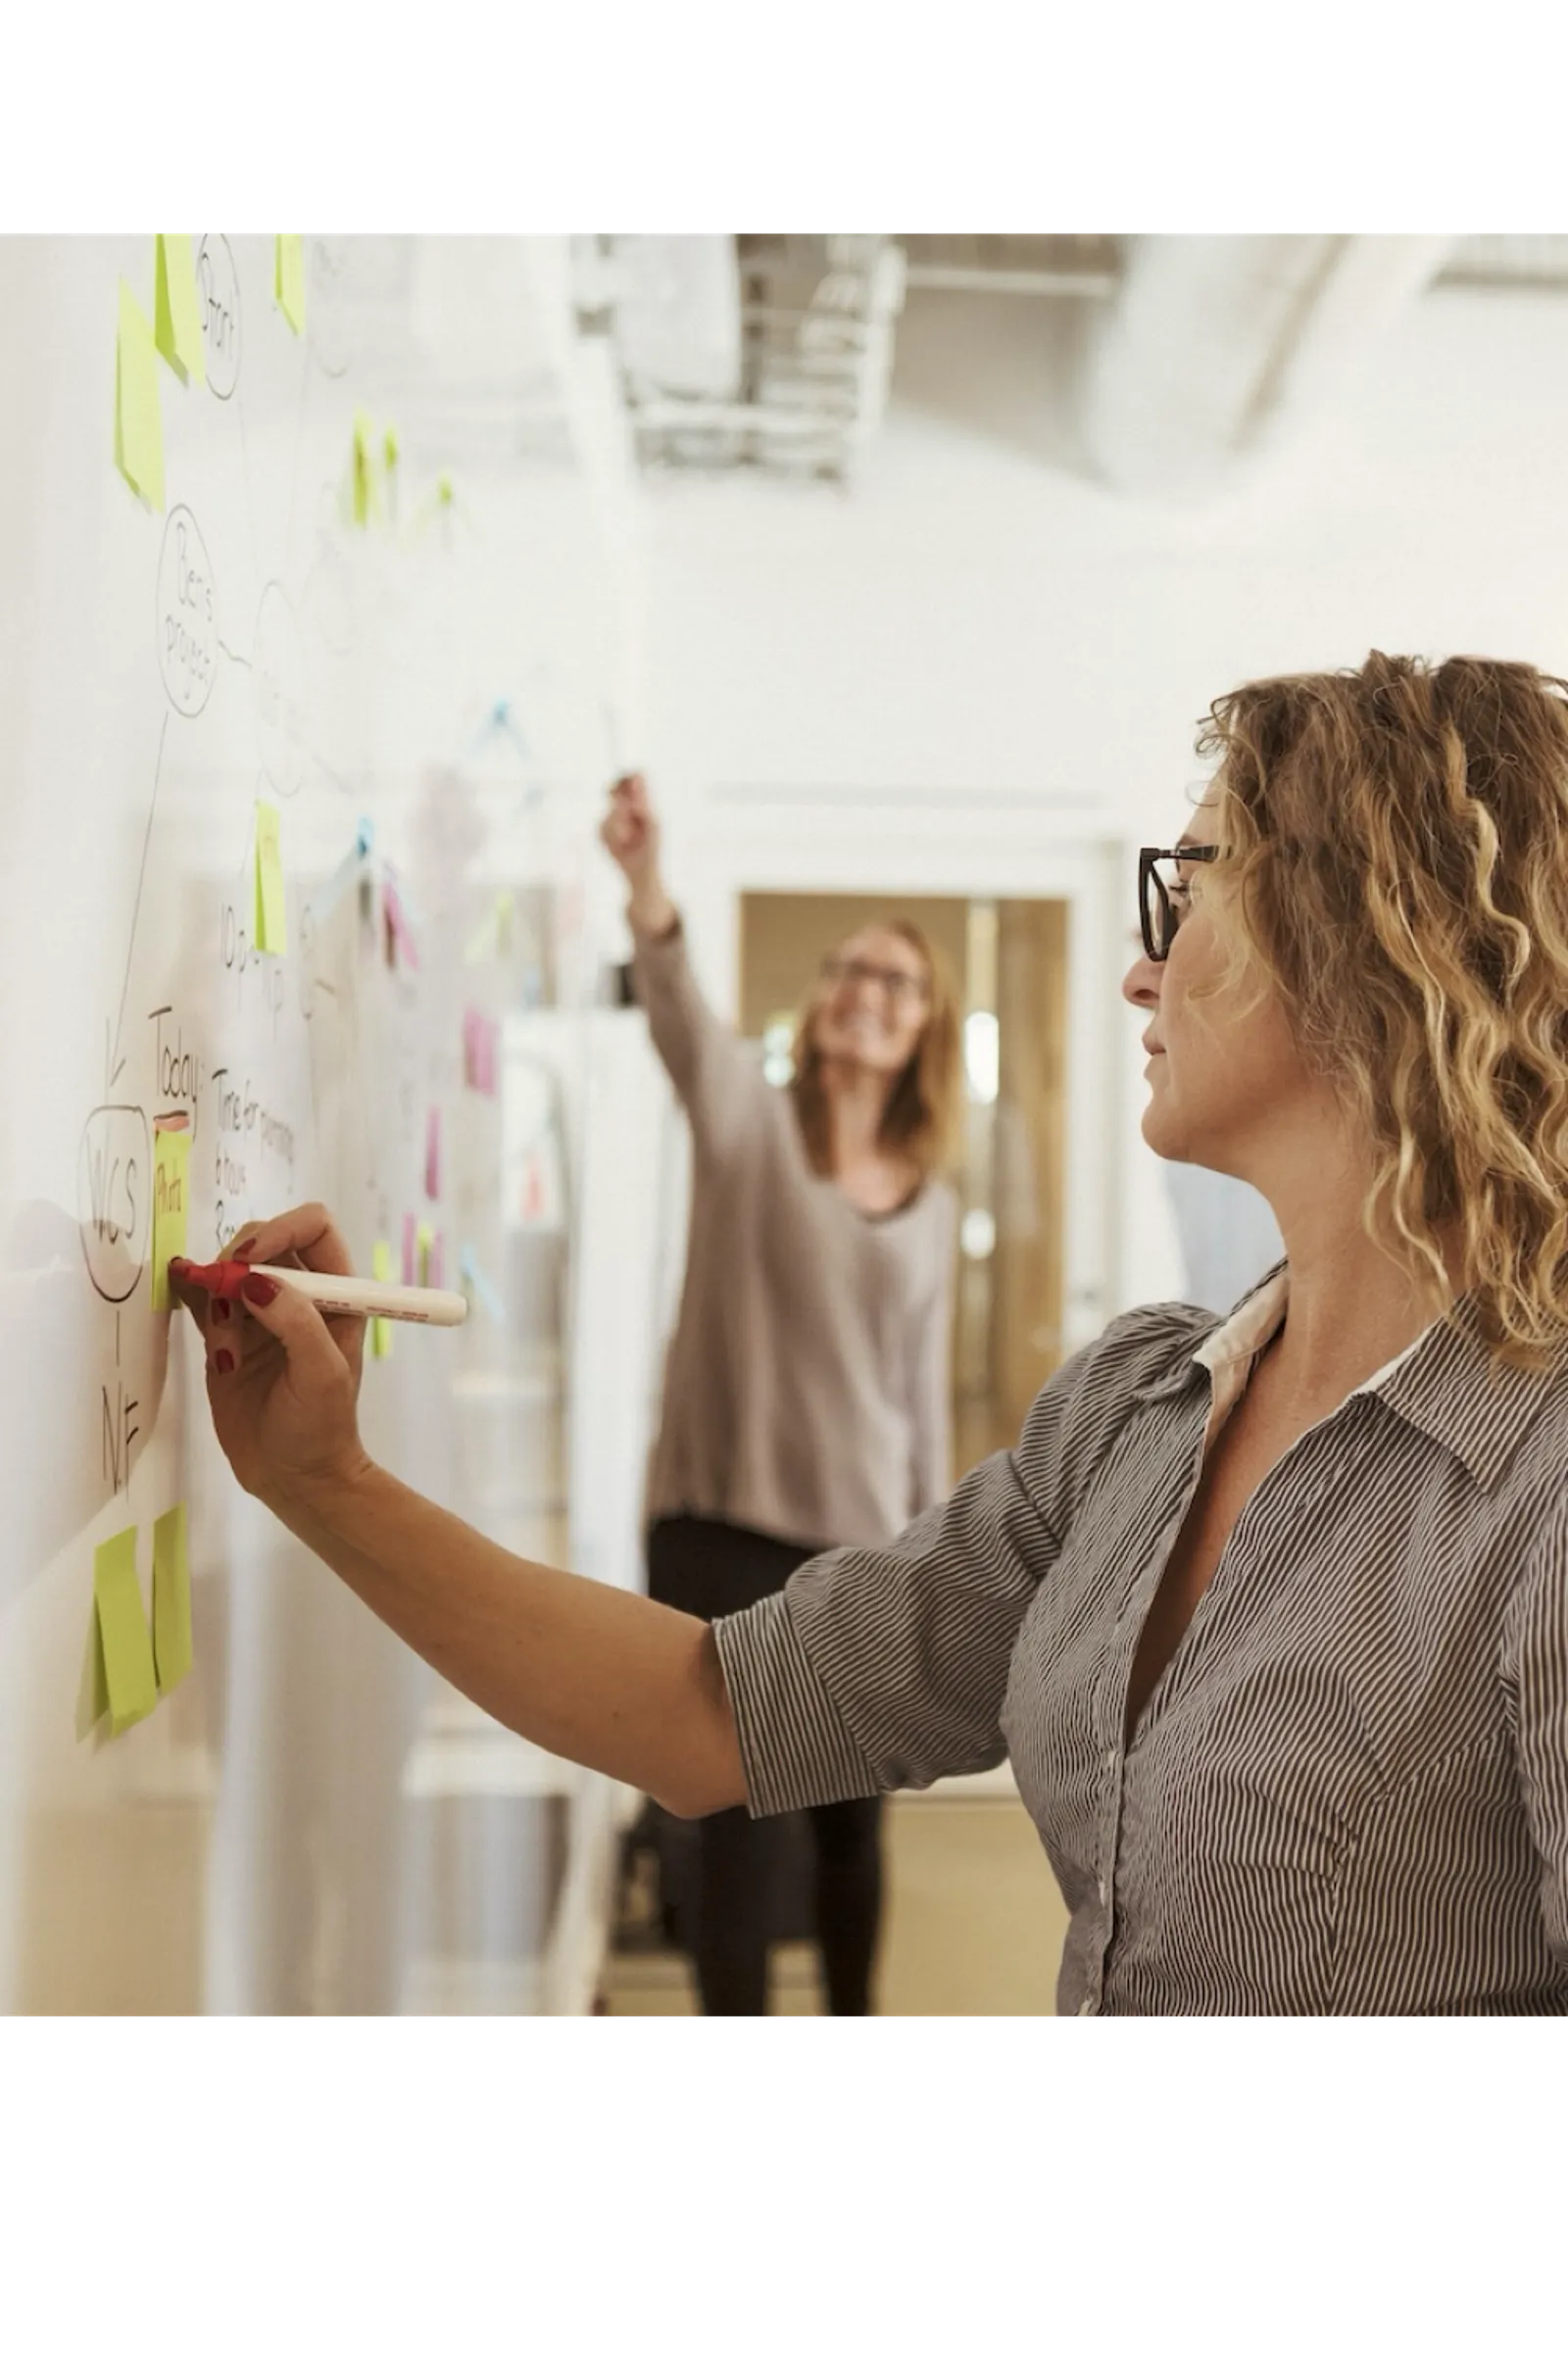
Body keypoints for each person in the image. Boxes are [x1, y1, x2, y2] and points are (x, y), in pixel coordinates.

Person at [175, 653, 1568, 2021]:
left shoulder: (1540, 1489)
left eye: (1191, 888)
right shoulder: (1132, 1412)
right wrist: (323, 1480)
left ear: (1371, 937)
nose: (1144, 969)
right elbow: (700, 1714)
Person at [600, 772, 959, 2018]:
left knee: (850, 1835)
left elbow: (916, 1400)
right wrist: (645, 882)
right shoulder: (746, 1127)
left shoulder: (931, 1205)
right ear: (818, 1007)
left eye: (897, 982)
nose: (867, 992)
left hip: (860, 1552)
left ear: (924, 1028)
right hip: (719, 1535)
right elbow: (678, 1016)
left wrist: (930, 1563)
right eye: (848, 972)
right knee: (740, 1837)